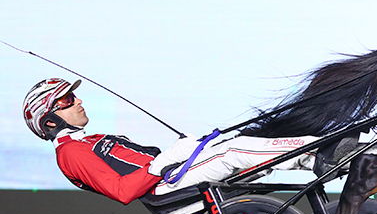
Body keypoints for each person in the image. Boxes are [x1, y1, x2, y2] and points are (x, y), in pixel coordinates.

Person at [23, 77, 357, 205]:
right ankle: (321, 149)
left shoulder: (90, 140)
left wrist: (180, 152)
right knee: (233, 150)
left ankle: (320, 157)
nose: (77, 101)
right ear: (49, 120)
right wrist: (162, 162)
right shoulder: (71, 154)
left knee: (239, 140)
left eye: (72, 97)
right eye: (66, 101)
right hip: (162, 186)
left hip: (171, 172)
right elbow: (122, 191)